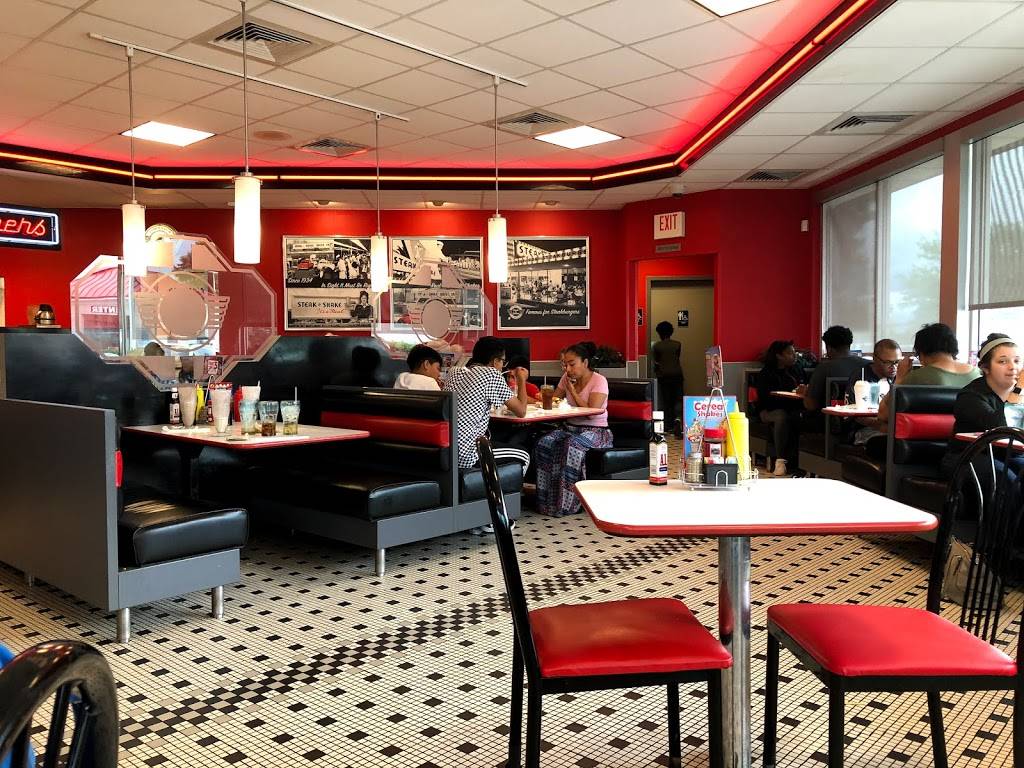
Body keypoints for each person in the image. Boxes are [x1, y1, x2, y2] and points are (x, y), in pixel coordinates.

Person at [443, 336, 531, 529]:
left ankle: (481, 511)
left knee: (501, 444)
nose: (502, 366)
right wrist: (522, 380)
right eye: (502, 362)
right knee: (523, 455)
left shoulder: (454, 371)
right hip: (468, 453)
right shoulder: (490, 374)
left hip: (447, 449)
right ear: (494, 361)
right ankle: (495, 517)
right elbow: (521, 411)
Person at [534, 342, 612, 516]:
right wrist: (542, 398)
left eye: (572, 364)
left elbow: (592, 412)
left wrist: (573, 391)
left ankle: (569, 504)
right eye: (565, 365)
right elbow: (555, 401)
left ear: (585, 362)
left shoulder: (599, 381)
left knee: (571, 445)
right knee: (544, 443)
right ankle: (546, 502)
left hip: (596, 432)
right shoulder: (566, 378)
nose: (568, 369)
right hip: (570, 428)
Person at [940, 333, 1024, 482]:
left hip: (1009, 455)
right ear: (985, 367)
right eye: (1002, 361)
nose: (1013, 367)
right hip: (967, 458)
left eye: (1017, 361)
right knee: (1006, 478)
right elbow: (1001, 428)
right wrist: (1017, 391)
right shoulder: (970, 396)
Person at [877, 323, 979, 424]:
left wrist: (899, 379)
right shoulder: (977, 374)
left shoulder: (918, 377)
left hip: (931, 433)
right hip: (971, 433)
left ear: (922, 352)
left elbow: (883, 414)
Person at [756, 340, 805, 476]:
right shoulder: (766, 373)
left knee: (800, 416)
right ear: (778, 356)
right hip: (768, 411)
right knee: (781, 416)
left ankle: (798, 462)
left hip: (793, 407)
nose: (794, 356)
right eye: (790, 353)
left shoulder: (797, 370)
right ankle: (780, 461)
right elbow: (764, 399)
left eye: (795, 353)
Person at [845, 339, 901, 456]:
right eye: (887, 362)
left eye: (897, 362)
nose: (894, 367)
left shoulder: (899, 377)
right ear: (875, 358)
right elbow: (856, 416)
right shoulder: (860, 378)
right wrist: (884, 426)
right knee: (894, 444)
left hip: (892, 428)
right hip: (863, 429)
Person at [803, 325, 865, 413]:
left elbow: (811, 405)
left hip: (829, 418)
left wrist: (806, 392)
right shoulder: (868, 365)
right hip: (862, 418)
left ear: (829, 348)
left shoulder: (824, 368)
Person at [651, 321, 683, 437]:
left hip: (664, 376)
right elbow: (677, 357)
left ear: (659, 333)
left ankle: (668, 426)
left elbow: (657, 362)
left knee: (666, 401)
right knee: (678, 398)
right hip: (677, 374)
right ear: (671, 332)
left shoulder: (656, 346)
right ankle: (678, 419)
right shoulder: (677, 344)